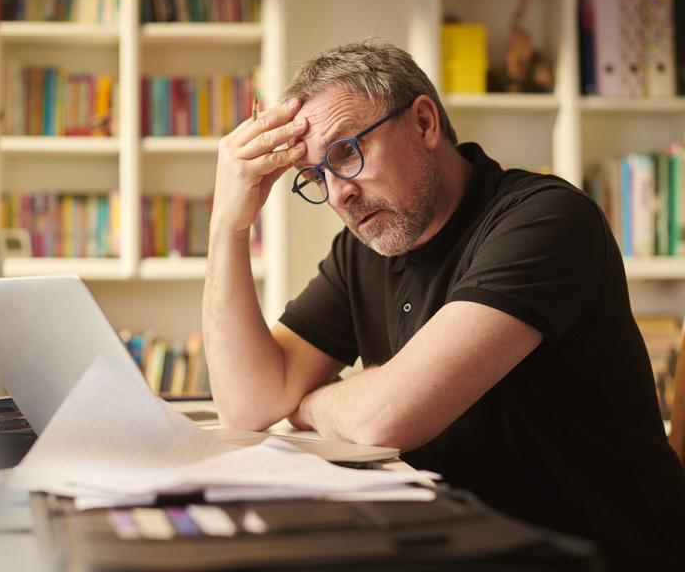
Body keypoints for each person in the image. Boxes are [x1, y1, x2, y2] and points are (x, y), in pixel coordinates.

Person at [202, 39, 685, 569]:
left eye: (346, 152)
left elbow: (386, 418)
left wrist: (307, 403)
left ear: (425, 123)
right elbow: (248, 406)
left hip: (595, 557)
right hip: (462, 545)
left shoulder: (546, 221)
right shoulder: (365, 247)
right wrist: (229, 225)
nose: (338, 194)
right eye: (317, 176)